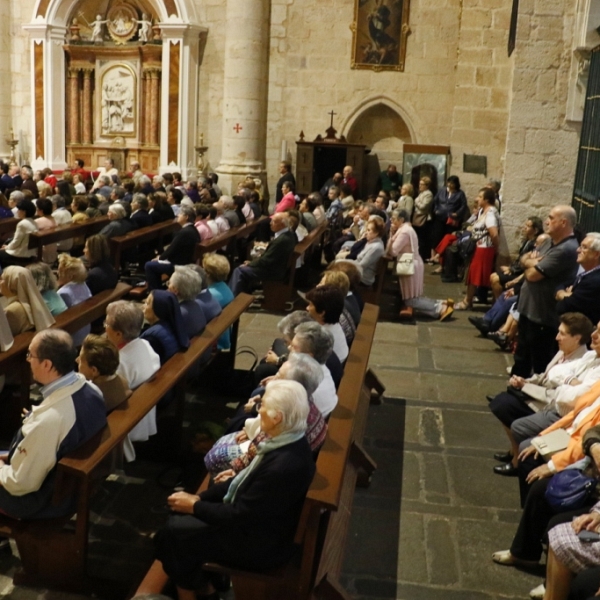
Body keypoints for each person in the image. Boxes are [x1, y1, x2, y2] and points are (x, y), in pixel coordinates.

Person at [142, 379, 314, 600]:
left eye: (263, 406)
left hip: (262, 545)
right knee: (177, 520)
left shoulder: (283, 466)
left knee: (174, 533)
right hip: (260, 523)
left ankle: (197, 591)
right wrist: (198, 498)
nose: (258, 410)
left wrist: (195, 505)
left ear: (277, 417)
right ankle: (208, 585)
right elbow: (244, 480)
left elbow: (240, 515)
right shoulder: (286, 439)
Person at [0, 330, 106, 519]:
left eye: (30, 355)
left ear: (47, 364)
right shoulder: (91, 389)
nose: (27, 360)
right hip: (70, 484)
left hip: (40, 500)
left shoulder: (50, 421)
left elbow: (20, 483)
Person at [489, 312, 595, 475]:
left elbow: (565, 396)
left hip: (552, 406)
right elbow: (549, 375)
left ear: (576, 338)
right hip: (544, 396)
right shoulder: (566, 352)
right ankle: (514, 452)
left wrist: (526, 387)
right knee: (502, 401)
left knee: (505, 407)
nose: (557, 337)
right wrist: (527, 381)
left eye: (562, 334)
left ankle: (518, 460)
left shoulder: (582, 360)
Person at [205, 354, 326, 477]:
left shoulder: (286, 418)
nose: (272, 379)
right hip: (281, 456)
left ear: (290, 386)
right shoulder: (303, 402)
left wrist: (253, 435)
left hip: (272, 468)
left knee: (213, 458)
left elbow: (262, 446)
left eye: (278, 376)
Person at [511, 205, 580, 377]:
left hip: (542, 315)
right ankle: (512, 395)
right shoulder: (549, 241)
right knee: (521, 356)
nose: (546, 222)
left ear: (563, 222)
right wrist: (530, 262)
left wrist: (531, 263)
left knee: (539, 361)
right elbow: (523, 259)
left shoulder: (566, 249)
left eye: (551, 218)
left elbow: (533, 275)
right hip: (529, 309)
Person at [386, 209, 454, 321]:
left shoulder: (404, 231)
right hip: (413, 263)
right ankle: (441, 304)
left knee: (410, 300)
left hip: (409, 264)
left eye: (393, 218)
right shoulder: (406, 229)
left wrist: (390, 234)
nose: (391, 220)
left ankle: (440, 307)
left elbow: (393, 251)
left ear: (401, 220)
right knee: (413, 297)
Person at [228, 212, 297, 295]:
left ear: (282, 225)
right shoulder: (289, 234)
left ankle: (231, 298)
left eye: (274, 222)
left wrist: (250, 264)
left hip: (272, 271)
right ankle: (244, 294)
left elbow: (266, 260)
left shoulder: (282, 240)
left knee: (239, 270)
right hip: (276, 267)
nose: (270, 223)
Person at [455, 187, 500, 310]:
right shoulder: (484, 211)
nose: (477, 199)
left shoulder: (490, 214)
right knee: (472, 274)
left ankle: (468, 301)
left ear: (486, 199)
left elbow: (494, 233)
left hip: (484, 248)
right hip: (480, 247)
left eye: (480, 197)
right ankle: (468, 300)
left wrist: (496, 249)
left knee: (477, 275)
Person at [289, 321, 339, 416]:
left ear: (308, 356)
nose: (288, 348)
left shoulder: (305, 384)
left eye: (294, 347)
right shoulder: (320, 367)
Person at [144, 206, 201, 291]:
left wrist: (160, 258)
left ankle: (156, 291)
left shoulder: (184, 232)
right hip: (185, 261)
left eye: (180, 214)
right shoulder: (193, 229)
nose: (178, 215)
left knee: (149, 265)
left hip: (179, 264)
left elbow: (172, 249)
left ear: (186, 217)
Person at [76, 334, 131, 413]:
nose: (77, 360)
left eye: (81, 359)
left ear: (94, 370)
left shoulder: (91, 399)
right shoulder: (123, 381)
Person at [555, 232, 600, 325]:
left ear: (596, 254)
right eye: (580, 246)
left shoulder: (595, 280)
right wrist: (569, 295)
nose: (578, 250)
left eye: (584, 247)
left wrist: (564, 295)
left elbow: (562, 307)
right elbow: (560, 285)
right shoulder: (585, 274)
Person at [0, 265, 55, 335]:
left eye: (2, 279)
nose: (0, 282)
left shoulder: (12, 311)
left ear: (11, 283)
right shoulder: (36, 302)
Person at [140, 290, 190, 364]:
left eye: (147, 303)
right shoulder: (174, 324)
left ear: (158, 310)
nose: (142, 306)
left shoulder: (152, 339)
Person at [305, 284, 348, 363]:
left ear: (321, 312)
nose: (307, 308)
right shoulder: (334, 325)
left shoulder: (320, 338)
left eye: (310, 305)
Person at [57, 254, 92, 345]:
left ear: (70, 276)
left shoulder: (63, 293)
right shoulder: (83, 285)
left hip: (74, 336)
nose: (58, 274)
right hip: (85, 330)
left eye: (61, 272)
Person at [430, 175, 468, 258]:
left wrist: (457, 213)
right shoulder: (442, 190)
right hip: (439, 217)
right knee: (436, 236)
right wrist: (436, 210)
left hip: (450, 219)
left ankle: (441, 257)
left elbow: (463, 205)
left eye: (452, 183)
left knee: (446, 236)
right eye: (449, 182)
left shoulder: (460, 193)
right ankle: (433, 256)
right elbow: (435, 201)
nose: (450, 185)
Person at [203, 253, 233, 349]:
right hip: (224, 334)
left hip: (215, 340)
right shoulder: (224, 287)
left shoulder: (210, 296)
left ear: (207, 273)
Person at [167, 266, 207, 338]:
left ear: (175, 290)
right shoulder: (196, 305)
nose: (168, 287)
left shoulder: (178, 313)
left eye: (169, 283)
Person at [0, 198, 38, 267]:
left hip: (21, 254)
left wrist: (7, 247)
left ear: (24, 212)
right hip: (30, 253)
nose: (17, 212)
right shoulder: (34, 222)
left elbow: (16, 242)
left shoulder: (22, 224)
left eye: (19, 210)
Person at [412, 176, 434, 261]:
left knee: (422, 238)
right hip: (417, 216)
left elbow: (423, 206)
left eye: (422, 184)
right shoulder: (421, 193)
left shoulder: (428, 194)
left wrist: (416, 201)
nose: (420, 186)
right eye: (419, 184)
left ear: (427, 186)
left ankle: (422, 255)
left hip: (423, 218)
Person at [34, 197, 58, 264]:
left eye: (37, 207)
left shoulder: (37, 222)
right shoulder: (54, 219)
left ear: (41, 210)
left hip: (42, 254)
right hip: (53, 251)